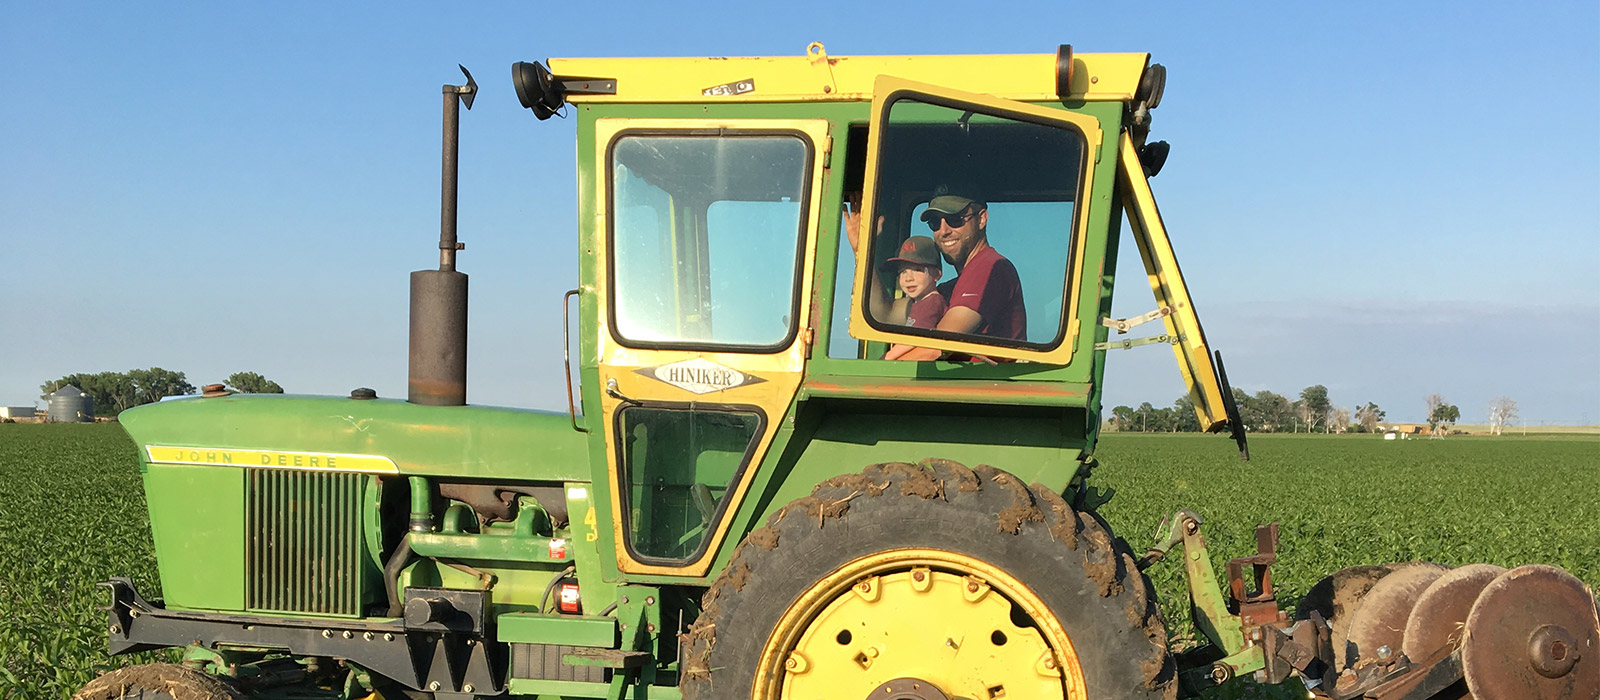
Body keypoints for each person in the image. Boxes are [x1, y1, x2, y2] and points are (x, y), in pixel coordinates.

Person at [880, 236, 947, 360]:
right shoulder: (918, 303)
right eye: (903, 272)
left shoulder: (932, 302)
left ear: (937, 274)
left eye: (918, 270)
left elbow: (914, 338)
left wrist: (887, 358)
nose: (908, 278)